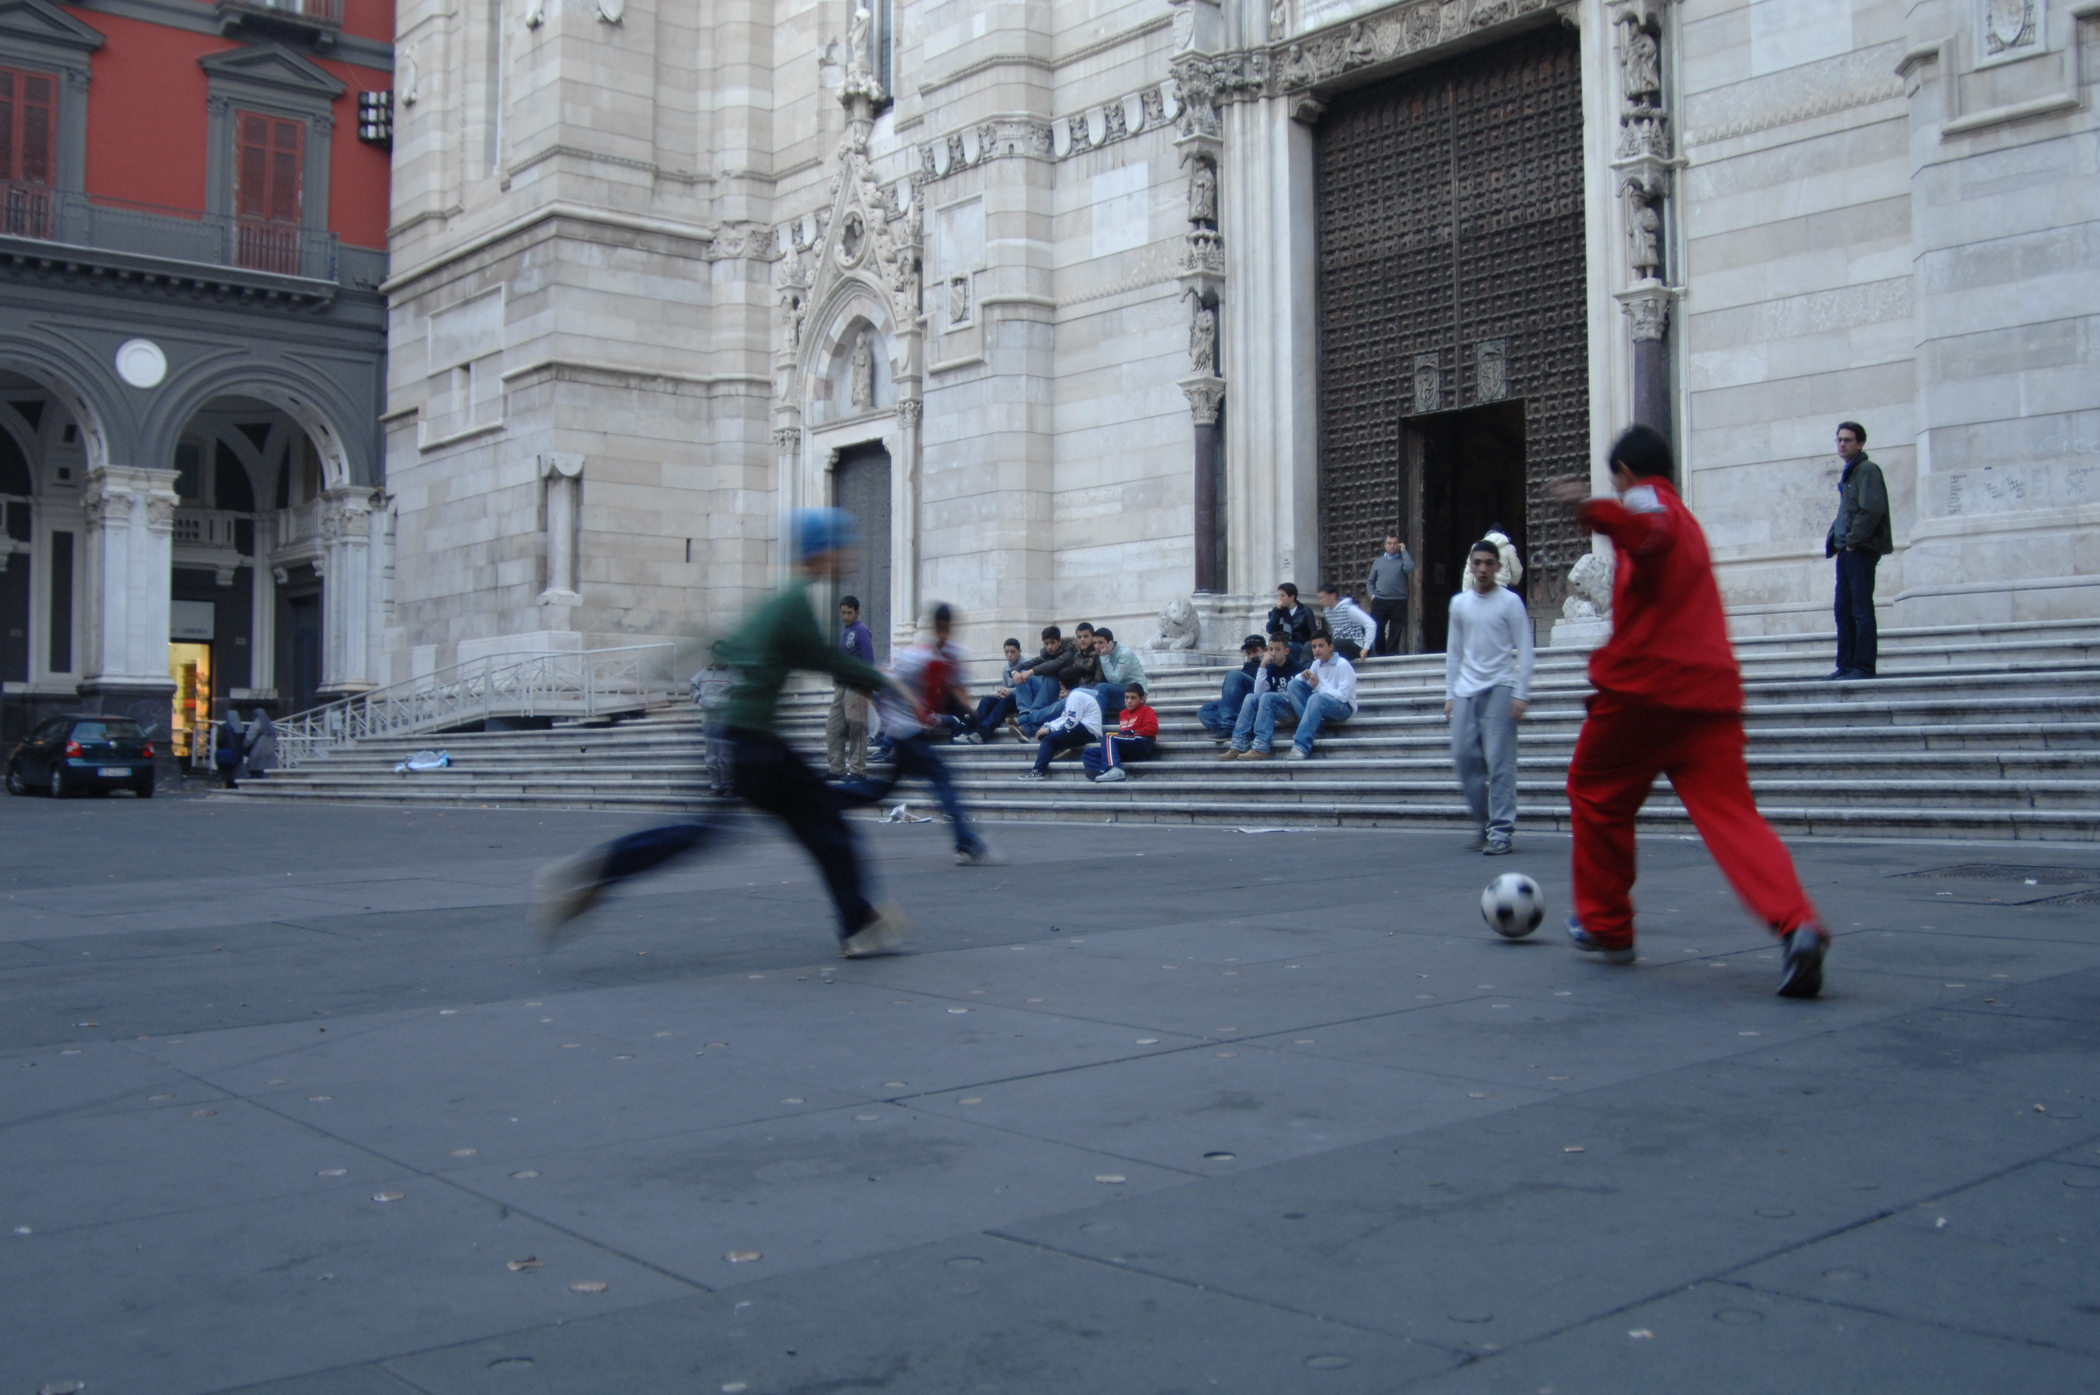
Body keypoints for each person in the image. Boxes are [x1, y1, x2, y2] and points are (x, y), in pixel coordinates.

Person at [530, 508, 910, 959]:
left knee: (750, 829)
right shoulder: (793, 604)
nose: (851, 554)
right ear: (824, 551)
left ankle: (600, 867)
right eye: (844, 545)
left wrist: (656, 681)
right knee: (822, 828)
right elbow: (830, 662)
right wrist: (894, 682)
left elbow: (726, 641)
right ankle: (858, 925)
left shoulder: (779, 601)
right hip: (756, 744)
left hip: (742, 740)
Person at [1545, 426, 1829, 997]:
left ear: (1626, 473)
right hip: (1709, 695)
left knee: (1595, 792)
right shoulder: (1690, 521)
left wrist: (1593, 509)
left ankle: (1607, 926)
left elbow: (1650, 532)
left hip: (1645, 692)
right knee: (1733, 818)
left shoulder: (1650, 503)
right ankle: (1796, 922)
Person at [854, 604, 995, 864]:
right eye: (940, 629)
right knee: (942, 779)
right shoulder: (917, 655)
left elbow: (957, 684)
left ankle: (829, 798)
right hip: (905, 729)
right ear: (935, 628)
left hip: (916, 731)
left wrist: (970, 710)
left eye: (946, 629)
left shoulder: (952, 654)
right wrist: (914, 703)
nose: (943, 634)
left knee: (883, 788)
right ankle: (966, 841)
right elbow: (890, 678)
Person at [1444, 540, 1535, 855]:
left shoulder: (1510, 603)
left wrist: (1520, 692)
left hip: (1500, 686)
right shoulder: (1459, 604)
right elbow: (1454, 651)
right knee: (1465, 759)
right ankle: (1483, 822)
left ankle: (1501, 831)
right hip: (1466, 690)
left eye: (1488, 563)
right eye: (1477, 563)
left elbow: (1524, 647)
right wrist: (1450, 693)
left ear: (1498, 567)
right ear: (1470, 566)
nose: (1482, 569)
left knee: (1500, 762)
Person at [1824, 420, 1889, 680]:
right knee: (1843, 609)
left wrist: (1852, 541)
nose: (1841, 444)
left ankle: (1862, 666)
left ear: (1860, 444)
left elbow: (1871, 509)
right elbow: (1848, 511)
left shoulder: (1867, 470)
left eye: (1847, 440)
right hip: (1846, 550)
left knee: (1861, 610)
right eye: (1839, 440)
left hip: (1859, 550)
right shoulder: (1851, 472)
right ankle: (1846, 665)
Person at [1245, 632, 1357, 761]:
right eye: (1314, 647)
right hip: (1323, 703)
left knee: (1316, 698)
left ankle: (1301, 746)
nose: (1317, 650)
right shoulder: (1317, 664)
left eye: (1321, 646)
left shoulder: (1342, 664)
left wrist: (1319, 687)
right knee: (1293, 684)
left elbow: (1343, 697)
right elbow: (1297, 683)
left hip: (1344, 707)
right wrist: (1302, 676)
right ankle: (1314, 730)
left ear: (1330, 647)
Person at [1217, 633, 1306, 759]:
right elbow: (1258, 693)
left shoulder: (1296, 667)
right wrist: (1262, 666)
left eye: (1277, 649)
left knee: (1267, 697)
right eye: (1270, 649)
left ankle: (1261, 746)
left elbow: (1302, 696)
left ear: (1286, 651)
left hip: (1292, 710)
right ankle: (1238, 745)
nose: (1273, 653)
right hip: (1277, 708)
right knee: (1250, 698)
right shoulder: (1269, 667)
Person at [826, 596, 875, 778]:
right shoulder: (844, 631)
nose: (845, 616)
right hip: (841, 687)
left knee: (857, 727)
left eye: (849, 612)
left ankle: (857, 769)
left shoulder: (861, 630)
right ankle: (836, 768)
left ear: (857, 612)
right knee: (834, 727)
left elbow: (869, 660)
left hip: (856, 687)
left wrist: (867, 686)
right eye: (843, 613)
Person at [1021, 674, 1102, 779]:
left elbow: (1071, 722)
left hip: (1087, 731)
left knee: (1048, 740)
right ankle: (1058, 749)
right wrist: (1048, 726)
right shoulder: (1075, 695)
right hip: (1083, 729)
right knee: (1044, 735)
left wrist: (1050, 729)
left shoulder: (1075, 696)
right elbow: (1064, 717)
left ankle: (1038, 771)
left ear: (1061, 684)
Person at [1199, 635, 1271, 740]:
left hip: (1256, 695)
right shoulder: (1248, 665)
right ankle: (1241, 728)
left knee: (1233, 675)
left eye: (1255, 651)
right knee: (1204, 711)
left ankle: (1229, 726)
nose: (1251, 656)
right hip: (1241, 700)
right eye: (1248, 653)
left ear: (1265, 650)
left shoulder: (1268, 663)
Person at [1084, 684, 1159, 782]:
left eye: (1133, 698)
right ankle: (1101, 772)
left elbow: (1153, 728)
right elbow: (1123, 737)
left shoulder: (1147, 710)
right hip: (1129, 744)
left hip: (1142, 744)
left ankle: (1115, 770)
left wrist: (1133, 732)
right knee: (1089, 753)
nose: (1129, 701)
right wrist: (1124, 735)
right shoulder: (1123, 713)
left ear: (1142, 699)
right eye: (1126, 697)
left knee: (1109, 738)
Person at [691, 640, 737, 795]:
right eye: (716, 652)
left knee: (725, 754)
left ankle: (728, 785)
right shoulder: (704, 672)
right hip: (708, 717)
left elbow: (741, 693)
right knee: (711, 754)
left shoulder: (734, 673)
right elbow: (693, 687)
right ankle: (716, 785)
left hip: (725, 717)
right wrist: (698, 699)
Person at [962, 638, 1027, 743]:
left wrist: (1009, 692)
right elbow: (1008, 687)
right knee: (986, 701)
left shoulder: (1026, 665)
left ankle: (982, 733)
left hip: (1023, 699)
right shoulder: (1006, 668)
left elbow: (1026, 689)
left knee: (1004, 702)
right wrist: (1004, 692)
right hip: (1010, 698)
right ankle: (973, 731)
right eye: (1007, 652)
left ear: (1019, 651)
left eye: (1013, 651)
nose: (1009, 655)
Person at [1365, 534, 1415, 655]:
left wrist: (1404, 551)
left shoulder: (1402, 560)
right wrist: (1372, 595)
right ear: (1385, 545)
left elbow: (1410, 568)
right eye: (1389, 543)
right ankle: (1381, 654)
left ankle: (1392, 654)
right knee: (1377, 627)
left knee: (1396, 629)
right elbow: (1370, 581)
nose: (1392, 546)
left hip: (1399, 600)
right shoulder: (1378, 562)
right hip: (1380, 600)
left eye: (1395, 543)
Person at [1091, 626, 1148, 716]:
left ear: (1111, 643)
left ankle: (1096, 726)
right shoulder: (1104, 652)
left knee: (1101, 688)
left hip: (1135, 694)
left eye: (1100, 642)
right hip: (1119, 692)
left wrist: (1104, 658)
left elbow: (1114, 680)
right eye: (1094, 643)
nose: (1097, 646)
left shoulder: (1124, 654)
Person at [1314, 583, 1377, 661]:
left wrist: (1366, 647)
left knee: (1334, 643)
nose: (1320, 601)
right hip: (1339, 645)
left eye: (1323, 597)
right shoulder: (1327, 611)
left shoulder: (1349, 608)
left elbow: (1371, 624)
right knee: (1311, 645)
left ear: (1333, 596)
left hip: (1355, 645)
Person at [213, 706, 247, 789]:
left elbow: (219, 740)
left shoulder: (223, 727)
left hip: (226, 754)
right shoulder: (241, 728)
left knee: (224, 773)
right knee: (236, 773)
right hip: (237, 755)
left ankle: (224, 788)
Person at [245, 709, 276, 780]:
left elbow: (249, 739)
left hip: (258, 752)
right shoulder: (269, 725)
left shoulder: (256, 724)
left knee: (255, 773)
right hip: (270, 753)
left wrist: (242, 747)